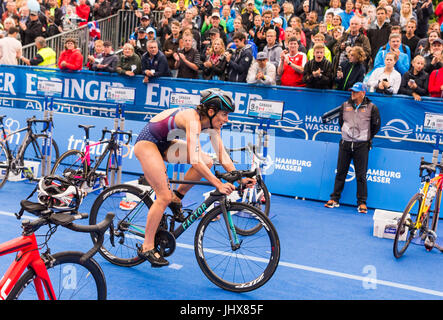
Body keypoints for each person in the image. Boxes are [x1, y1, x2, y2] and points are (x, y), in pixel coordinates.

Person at [133, 88, 254, 266]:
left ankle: (178, 197)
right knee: (163, 196)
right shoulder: (193, 120)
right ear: (211, 112)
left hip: (166, 143)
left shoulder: (213, 125)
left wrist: (239, 177)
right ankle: (147, 247)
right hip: (147, 143)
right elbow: (195, 160)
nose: (227, 119)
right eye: (225, 114)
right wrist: (217, 184)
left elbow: (221, 153)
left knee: (209, 161)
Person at [324, 82, 381, 214]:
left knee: (361, 175)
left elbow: (376, 127)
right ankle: (335, 199)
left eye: (355, 91)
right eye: (352, 91)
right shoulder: (345, 105)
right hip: (345, 144)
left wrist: (365, 137)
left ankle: (362, 202)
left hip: (362, 145)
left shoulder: (372, 108)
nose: (352, 93)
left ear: (363, 93)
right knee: (340, 173)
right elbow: (341, 123)